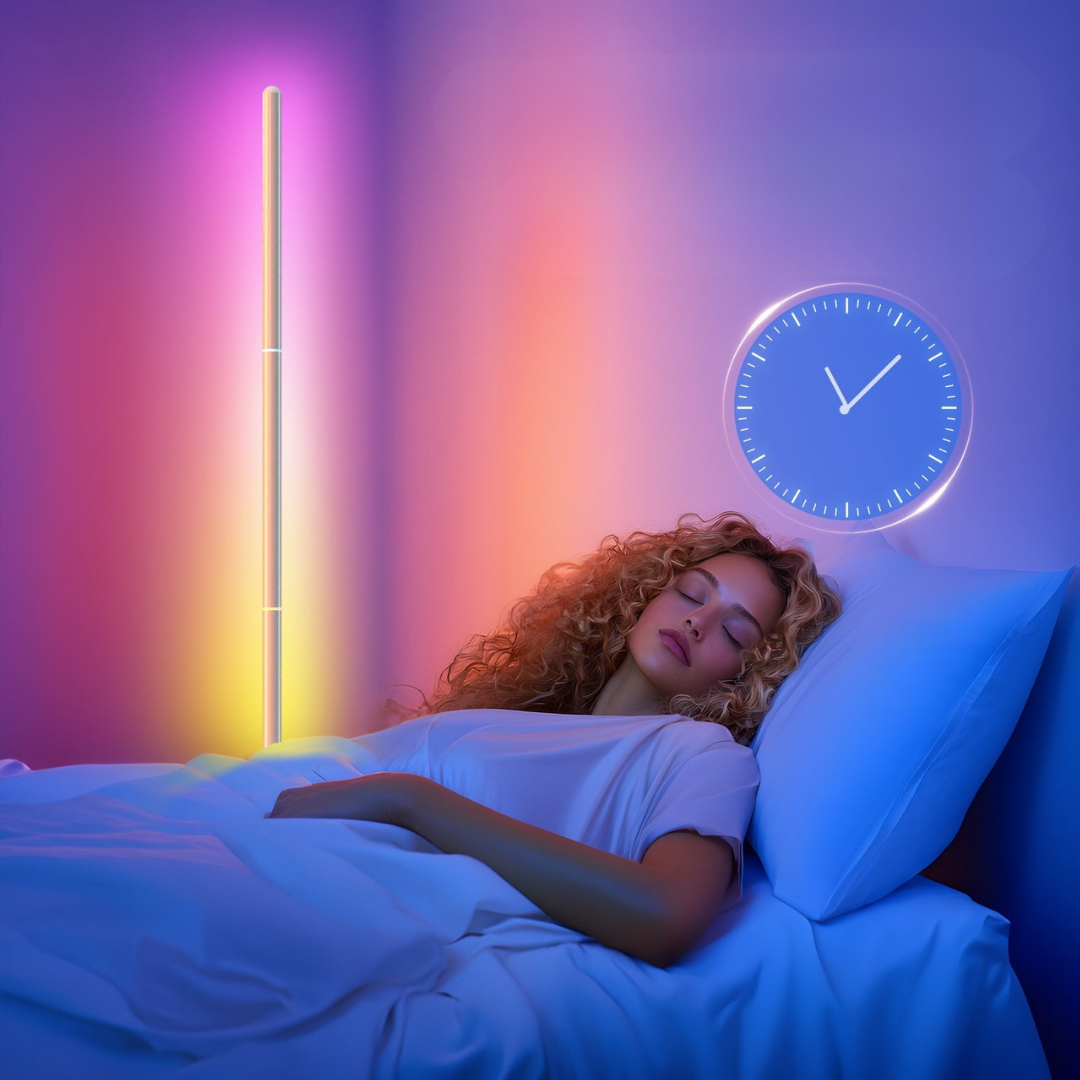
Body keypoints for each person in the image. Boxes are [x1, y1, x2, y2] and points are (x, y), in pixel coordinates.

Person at [268, 510, 842, 967]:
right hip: (276, 827)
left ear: (748, 673)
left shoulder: (706, 757)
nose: (698, 621)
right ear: (648, 593)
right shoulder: (534, 711)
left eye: (735, 631)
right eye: (693, 594)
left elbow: (665, 916)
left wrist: (408, 801)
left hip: (328, 896)